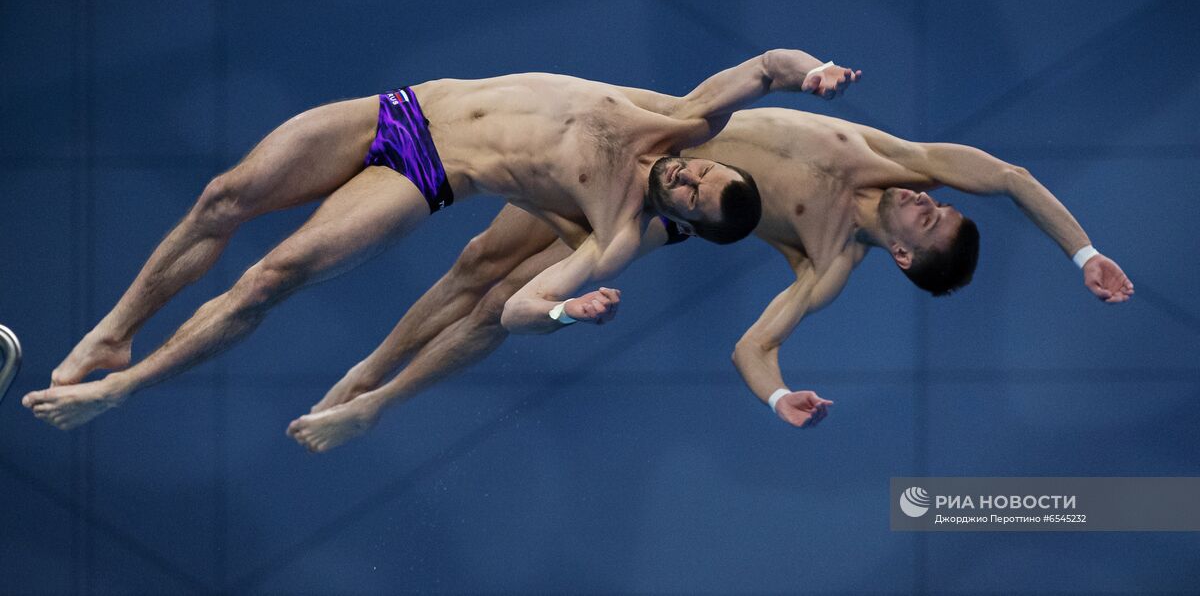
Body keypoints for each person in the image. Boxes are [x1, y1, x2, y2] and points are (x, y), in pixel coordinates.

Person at [24, 49, 862, 431]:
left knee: (272, 277)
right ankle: (117, 329)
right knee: (224, 196)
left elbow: (521, 310)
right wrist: (815, 71)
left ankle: (124, 387)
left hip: (427, 174)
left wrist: (571, 316)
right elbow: (766, 66)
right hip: (406, 109)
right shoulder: (676, 121)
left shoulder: (612, 233)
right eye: (702, 174)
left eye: (698, 196)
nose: (689, 177)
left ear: (685, 224)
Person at [283, 104, 1132, 453]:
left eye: (930, 219)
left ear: (906, 256)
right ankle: (363, 370)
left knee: (510, 305)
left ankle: (374, 407)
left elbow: (752, 347)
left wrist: (778, 397)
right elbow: (1015, 179)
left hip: (658, 215)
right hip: (649, 157)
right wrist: (1086, 254)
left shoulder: (828, 260)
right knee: (475, 263)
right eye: (939, 203)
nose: (926, 198)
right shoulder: (895, 159)